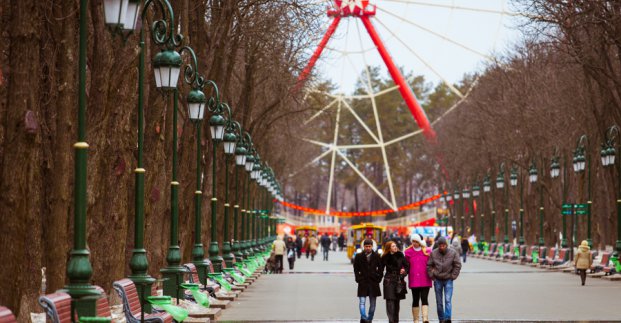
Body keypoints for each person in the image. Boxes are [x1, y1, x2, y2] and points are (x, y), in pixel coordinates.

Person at [427, 237, 461, 323]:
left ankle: (447, 318)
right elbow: (429, 265)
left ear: (446, 245)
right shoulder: (433, 253)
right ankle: (441, 319)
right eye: (440, 246)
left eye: (443, 245)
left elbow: (457, 264)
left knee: (448, 300)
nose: (442, 247)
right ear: (438, 245)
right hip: (437, 279)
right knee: (439, 302)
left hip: (448, 279)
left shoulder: (453, 253)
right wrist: (432, 276)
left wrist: (453, 276)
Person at [354, 239, 382, 323]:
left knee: (373, 304)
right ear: (364, 246)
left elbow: (380, 269)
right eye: (366, 246)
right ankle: (364, 317)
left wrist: (378, 278)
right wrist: (358, 278)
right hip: (363, 282)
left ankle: (369, 319)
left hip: (374, 283)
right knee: (362, 302)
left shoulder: (377, 256)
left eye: (369, 246)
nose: (368, 248)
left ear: (372, 246)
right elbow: (356, 269)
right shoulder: (359, 256)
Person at [380, 241, 409, 323]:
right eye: (393, 246)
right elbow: (380, 269)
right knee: (389, 302)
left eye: (395, 246)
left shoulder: (400, 255)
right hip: (388, 280)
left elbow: (407, 266)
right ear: (389, 248)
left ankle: (396, 321)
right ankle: (391, 321)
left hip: (398, 280)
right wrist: (377, 278)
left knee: (396, 302)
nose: (395, 247)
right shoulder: (385, 257)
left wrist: (404, 271)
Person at [405, 235, 432, 323]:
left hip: (425, 278)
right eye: (413, 241)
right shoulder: (408, 252)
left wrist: (433, 270)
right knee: (415, 299)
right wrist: (403, 270)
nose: (414, 243)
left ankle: (425, 318)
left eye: (416, 241)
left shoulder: (427, 251)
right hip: (414, 279)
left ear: (420, 242)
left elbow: (432, 263)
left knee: (424, 298)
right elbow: (405, 265)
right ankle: (416, 319)